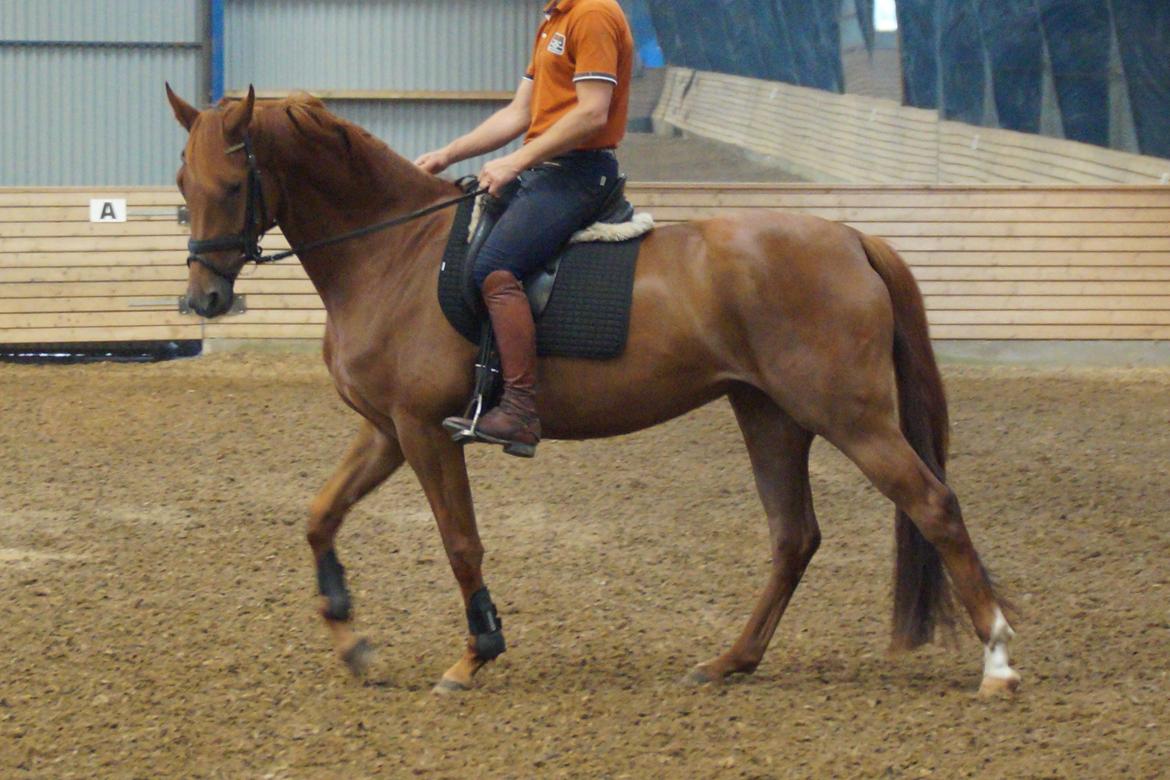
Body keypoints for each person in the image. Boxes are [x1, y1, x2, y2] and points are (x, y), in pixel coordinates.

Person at [415, 0, 634, 457]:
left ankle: (519, 408)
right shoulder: (553, 18)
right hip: (547, 169)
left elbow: (593, 112)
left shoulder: (591, 13)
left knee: (496, 266)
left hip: (578, 172)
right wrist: (447, 154)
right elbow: (520, 113)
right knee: (474, 250)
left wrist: (516, 161)